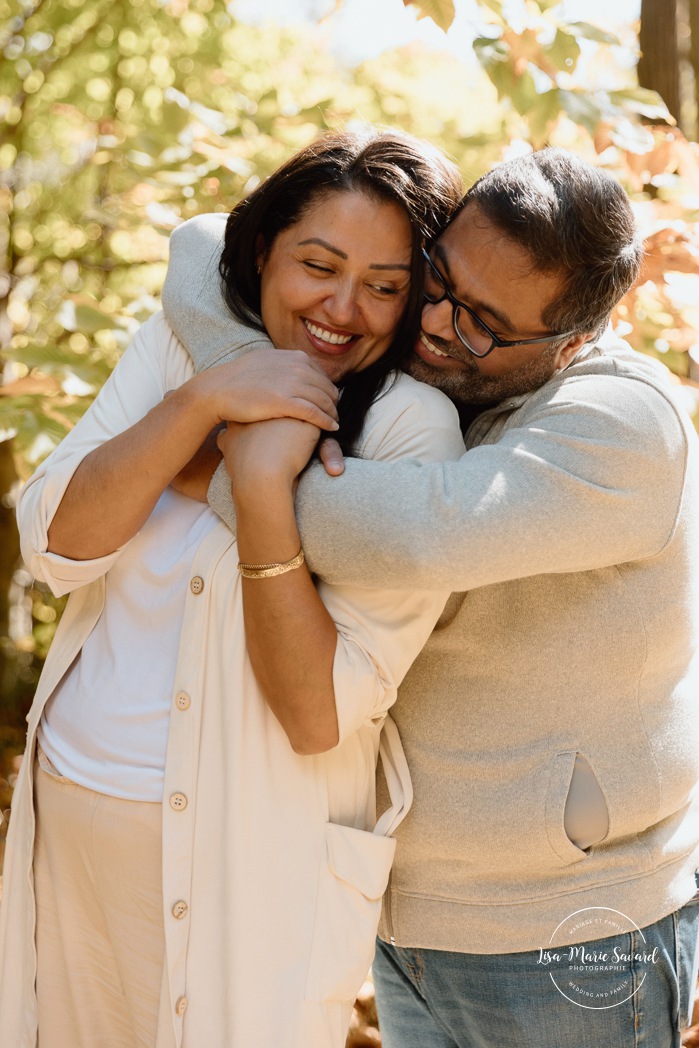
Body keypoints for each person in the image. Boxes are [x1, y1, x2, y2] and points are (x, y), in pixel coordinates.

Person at [161, 146, 699, 1047]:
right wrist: (241, 383)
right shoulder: (436, 378)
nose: (439, 322)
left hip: (568, 933)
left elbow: (417, 533)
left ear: (571, 341)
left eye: (485, 322)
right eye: (436, 279)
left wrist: (221, 459)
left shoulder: (620, 427)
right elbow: (201, 245)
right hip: (406, 910)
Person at [0, 129, 468, 1048]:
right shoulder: (179, 349)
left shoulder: (412, 437)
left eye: (383, 285)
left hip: (250, 857)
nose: (343, 309)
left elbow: (313, 712)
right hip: (71, 818)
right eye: (317, 265)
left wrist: (259, 489)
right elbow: (55, 544)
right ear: (262, 252)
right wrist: (205, 403)